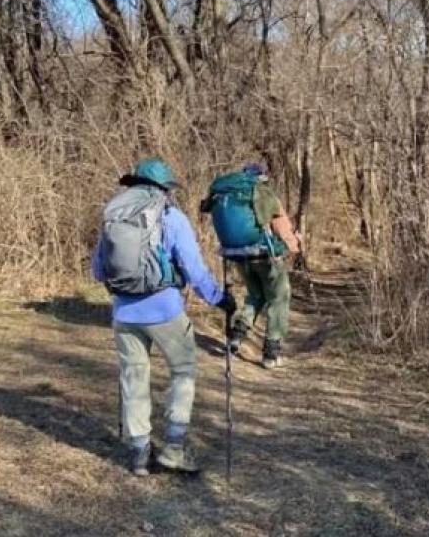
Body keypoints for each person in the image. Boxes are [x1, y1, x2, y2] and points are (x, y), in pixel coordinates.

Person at [91, 157, 235, 476]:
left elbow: (98, 270)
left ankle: (140, 452)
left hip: (124, 313)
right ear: (163, 188)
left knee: (133, 376)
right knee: (182, 371)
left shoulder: (113, 214)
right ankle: (173, 448)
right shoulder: (170, 217)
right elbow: (194, 269)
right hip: (164, 310)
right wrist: (219, 298)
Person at [202, 162, 300, 369]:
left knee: (256, 296)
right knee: (279, 298)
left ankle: (236, 336)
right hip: (264, 255)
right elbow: (281, 226)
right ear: (263, 176)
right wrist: (294, 245)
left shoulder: (229, 193)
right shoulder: (262, 192)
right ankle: (271, 354)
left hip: (238, 255)